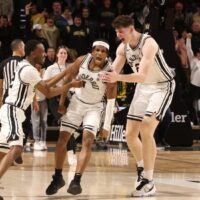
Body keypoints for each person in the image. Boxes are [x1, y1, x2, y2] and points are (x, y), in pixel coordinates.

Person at [100, 15, 175, 197]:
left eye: (121, 32)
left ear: (131, 29)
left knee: (147, 127)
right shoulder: (122, 48)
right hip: (144, 88)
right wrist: (100, 76)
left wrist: (117, 78)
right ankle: (142, 169)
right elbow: (113, 71)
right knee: (130, 134)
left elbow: (140, 76)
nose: (118, 35)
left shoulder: (149, 44)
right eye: (117, 32)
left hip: (161, 86)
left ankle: (149, 181)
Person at [0, 40, 84, 199]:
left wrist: (66, 73)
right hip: (12, 110)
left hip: (12, 111)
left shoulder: (27, 68)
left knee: (3, 151)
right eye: (42, 51)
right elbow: (49, 92)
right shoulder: (29, 70)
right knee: (17, 148)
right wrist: (70, 84)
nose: (45, 54)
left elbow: (45, 83)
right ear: (32, 53)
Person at [45, 39, 117, 196]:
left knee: (87, 141)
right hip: (76, 103)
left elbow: (111, 100)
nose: (99, 53)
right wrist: (62, 102)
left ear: (106, 55)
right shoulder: (81, 60)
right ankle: (57, 177)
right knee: (61, 141)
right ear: (92, 51)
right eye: (97, 50)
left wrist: (106, 126)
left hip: (95, 108)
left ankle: (76, 180)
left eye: (103, 51)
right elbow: (68, 79)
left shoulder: (110, 72)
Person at [0, 39, 25, 164]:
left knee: (7, 128)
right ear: (20, 47)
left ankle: (14, 149)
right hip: (20, 101)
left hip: (6, 101)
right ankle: (15, 150)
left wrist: (0, 100)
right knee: (22, 127)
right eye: (23, 46)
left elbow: (0, 84)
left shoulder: (3, 63)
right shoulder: (25, 63)